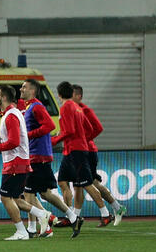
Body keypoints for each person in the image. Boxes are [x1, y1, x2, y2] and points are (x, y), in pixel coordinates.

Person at [19, 79, 82, 238]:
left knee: (28, 193)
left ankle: (33, 229)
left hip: (38, 155)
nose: (21, 89)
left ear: (33, 91)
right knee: (43, 193)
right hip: (37, 155)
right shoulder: (30, 107)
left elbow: (49, 126)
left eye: (24, 87)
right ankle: (72, 217)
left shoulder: (37, 107)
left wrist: (29, 135)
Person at [0, 85, 51, 240]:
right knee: (16, 198)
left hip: (15, 163)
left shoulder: (11, 115)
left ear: (4, 98)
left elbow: (14, 141)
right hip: (18, 162)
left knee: (5, 197)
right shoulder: (13, 113)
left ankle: (22, 231)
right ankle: (42, 215)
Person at [52, 81, 109, 227]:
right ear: (71, 93)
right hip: (74, 149)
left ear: (58, 94)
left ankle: (106, 214)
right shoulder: (77, 108)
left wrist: (54, 140)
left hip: (75, 150)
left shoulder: (65, 107)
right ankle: (71, 216)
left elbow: (69, 131)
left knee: (86, 184)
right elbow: (89, 129)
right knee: (62, 181)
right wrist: (83, 139)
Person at [72, 84, 126, 225]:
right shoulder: (72, 110)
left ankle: (79, 217)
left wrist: (85, 140)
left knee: (84, 183)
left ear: (79, 96)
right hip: (81, 151)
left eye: (71, 95)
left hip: (88, 152)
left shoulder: (85, 110)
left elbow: (98, 128)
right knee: (83, 183)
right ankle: (117, 207)